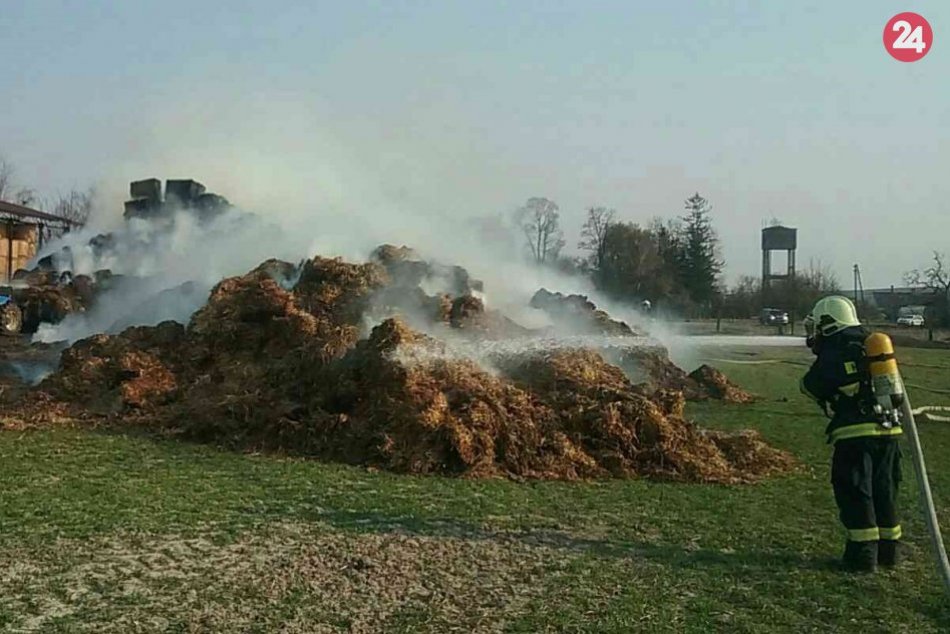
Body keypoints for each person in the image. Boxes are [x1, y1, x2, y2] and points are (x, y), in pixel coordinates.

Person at [800, 296, 903, 572]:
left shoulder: (836, 349)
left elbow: (811, 386)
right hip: (889, 429)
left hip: (855, 434)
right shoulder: (871, 345)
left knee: (855, 492)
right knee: (884, 490)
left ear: (829, 323)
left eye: (818, 327)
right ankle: (888, 553)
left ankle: (862, 556)